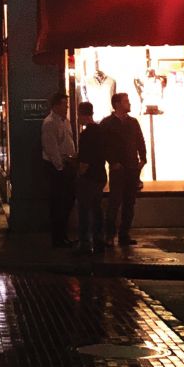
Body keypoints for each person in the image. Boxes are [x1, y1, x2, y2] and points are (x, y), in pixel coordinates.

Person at [100, 91, 147, 246]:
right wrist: (112, 162)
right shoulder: (107, 123)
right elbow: (103, 145)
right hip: (118, 169)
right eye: (126, 101)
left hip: (132, 167)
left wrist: (143, 158)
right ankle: (109, 235)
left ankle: (124, 234)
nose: (129, 103)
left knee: (129, 202)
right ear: (118, 104)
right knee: (115, 202)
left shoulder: (133, 122)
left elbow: (140, 140)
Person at [41, 91, 77, 247]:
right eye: (64, 104)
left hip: (67, 164)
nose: (67, 107)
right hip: (57, 168)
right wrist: (60, 167)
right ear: (56, 106)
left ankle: (63, 235)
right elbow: (51, 147)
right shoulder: (50, 123)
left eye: (67, 104)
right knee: (58, 203)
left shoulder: (66, 121)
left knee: (67, 202)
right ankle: (58, 238)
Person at [75, 101, 107, 254]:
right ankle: (99, 239)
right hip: (100, 175)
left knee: (84, 210)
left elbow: (85, 160)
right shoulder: (100, 131)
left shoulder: (86, 134)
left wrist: (80, 173)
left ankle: (85, 243)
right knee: (97, 209)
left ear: (82, 114)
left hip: (89, 177)